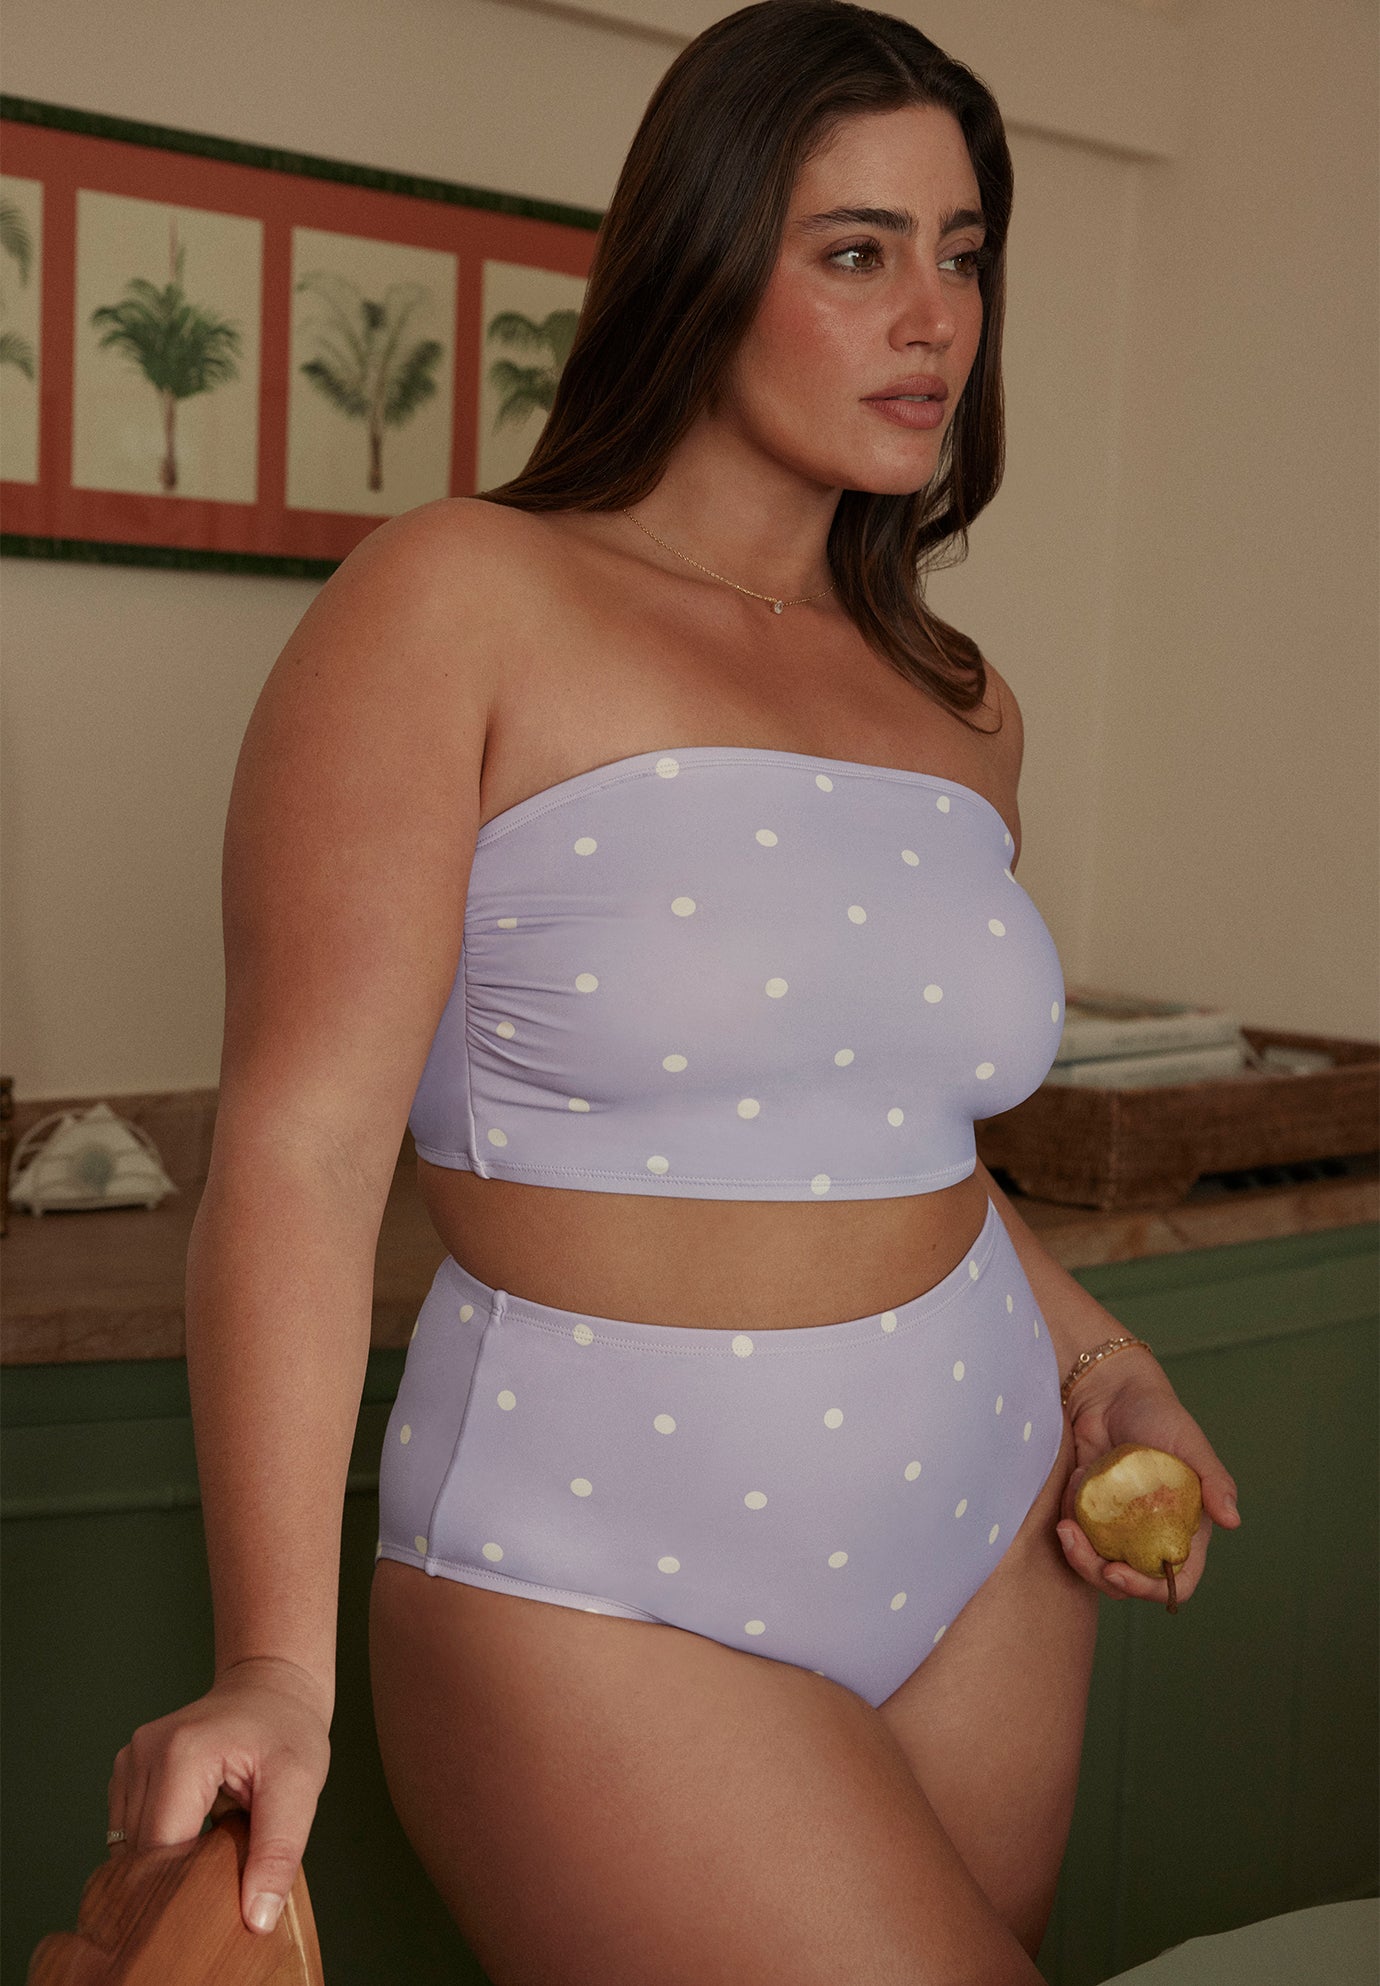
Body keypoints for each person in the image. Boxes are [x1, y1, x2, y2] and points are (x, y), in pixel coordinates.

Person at [105, 3, 1243, 1978]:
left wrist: (1099, 1362)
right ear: (703, 263)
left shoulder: (960, 702)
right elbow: (301, 1148)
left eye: (964, 252)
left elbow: (890, 1143)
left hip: (992, 1523)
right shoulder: (457, 597)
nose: (936, 318)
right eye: (857, 250)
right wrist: (275, 1661)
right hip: (596, 1571)